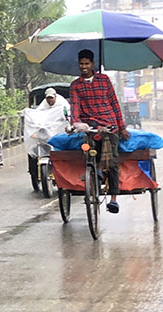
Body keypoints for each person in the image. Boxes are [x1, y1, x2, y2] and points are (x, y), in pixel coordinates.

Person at [68, 49, 130, 214]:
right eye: (81, 64)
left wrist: (121, 126)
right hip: (90, 126)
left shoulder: (104, 80)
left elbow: (114, 103)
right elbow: (74, 106)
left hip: (110, 125)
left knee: (113, 162)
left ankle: (113, 199)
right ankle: (95, 177)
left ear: (92, 64)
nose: (84, 67)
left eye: (87, 63)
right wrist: (75, 123)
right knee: (90, 154)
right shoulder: (75, 85)